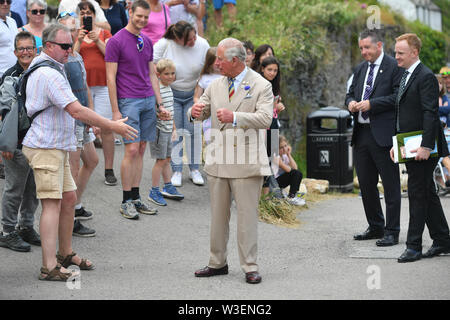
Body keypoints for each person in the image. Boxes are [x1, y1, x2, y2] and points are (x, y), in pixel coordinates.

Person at [21, 23, 137, 281]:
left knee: (69, 198)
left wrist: (92, 123)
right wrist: (110, 125)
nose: (69, 49)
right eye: (64, 46)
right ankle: (49, 267)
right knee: (52, 204)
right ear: (48, 46)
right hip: (45, 146)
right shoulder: (49, 73)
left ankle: (65, 253)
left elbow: (73, 108)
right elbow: (75, 109)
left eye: (70, 43)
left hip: (57, 144)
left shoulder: (54, 66)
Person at [189, 38, 273, 284]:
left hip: (246, 162)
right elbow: (202, 108)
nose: (215, 64)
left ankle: (250, 266)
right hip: (218, 159)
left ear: (234, 60)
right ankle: (217, 263)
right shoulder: (215, 85)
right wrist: (193, 112)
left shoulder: (261, 85)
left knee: (247, 217)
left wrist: (234, 116)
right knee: (217, 217)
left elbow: (266, 119)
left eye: (220, 60)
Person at [105, 0, 169, 219]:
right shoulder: (116, 41)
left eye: (145, 17)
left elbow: (152, 74)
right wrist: (115, 111)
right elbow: (110, 78)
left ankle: (136, 197)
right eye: (138, 15)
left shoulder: (148, 40)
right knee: (131, 150)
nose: (142, 20)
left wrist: (160, 103)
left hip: (148, 100)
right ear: (129, 12)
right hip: (128, 101)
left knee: (141, 149)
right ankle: (125, 200)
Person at [392, 33, 450, 262]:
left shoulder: (425, 76)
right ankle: (443, 240)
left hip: (423, 148)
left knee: (417, 194)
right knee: (427, 193)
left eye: (400, 53)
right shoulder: (406, 74)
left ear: (414, 53)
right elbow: (402, 114)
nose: (396, 56)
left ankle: (413, 246)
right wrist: (396, 145)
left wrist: (426, 146)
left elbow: (430, 113)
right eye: (396, 52)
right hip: (409, 145)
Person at [345, 29, 402, 247]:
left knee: (391, 186)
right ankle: (376, 226)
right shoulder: (360, 69)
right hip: (361, 134)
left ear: (379, 46)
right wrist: (350, 103)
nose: (363, 52)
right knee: (366, 186)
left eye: (367, 47)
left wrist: (372, 104)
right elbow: (349, 94)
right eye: (361, 48)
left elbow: (398, 97)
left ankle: (392, 231)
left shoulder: (393, 67)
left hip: (384, 135)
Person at [154, 20, 209, 187]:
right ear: (178, 38)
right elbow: (151, 65)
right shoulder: (165, 44)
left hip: (194, 94)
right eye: (189, 40)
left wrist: (200, 94)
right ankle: (176, 170)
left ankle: (194, 169)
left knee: (193, 131)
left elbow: (208, 69)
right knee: (176, 133)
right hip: (172, 94)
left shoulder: (202, 44)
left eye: (194, 37)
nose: (193, 41)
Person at [0, 31, 40, 253]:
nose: (26, 52)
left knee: (33, 188)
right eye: (21, 49)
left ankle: (26, 226)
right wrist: (4, 144)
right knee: (14, 189)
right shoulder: (9, 76)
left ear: (36, 50)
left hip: (37, 142)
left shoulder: (40, 71)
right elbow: (1, 113)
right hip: (15, 144)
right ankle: (7, 231)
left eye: (29, 48)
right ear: (15, 52)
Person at [58, 14, 98, 237]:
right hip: (72, 120)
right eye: (68, 30)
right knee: (71, 171)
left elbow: (85, 87)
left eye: (75, 29)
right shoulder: (61, 61)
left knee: (92, 160)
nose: (73, 33)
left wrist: (92, 116)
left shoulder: (77, 55)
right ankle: (69, 219)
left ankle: (77, 204)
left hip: (84, 118)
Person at [75, 1, 117, 186]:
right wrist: (78, 39)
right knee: (80, 129)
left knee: (106, 127)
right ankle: (77, 169)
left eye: (89, 12)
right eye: (82, 13)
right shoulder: (75, 34)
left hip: (102, 85)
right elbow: (71, 57)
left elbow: (111, 54)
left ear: (94, 14)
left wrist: (97, 39)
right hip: (82, 87)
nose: (86, 15)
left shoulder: (104, 33)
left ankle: (109, 169)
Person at [148, 59, 184, 205]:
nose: (170, 77)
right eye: (167, 74)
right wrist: (159, 115)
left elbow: (170, 109)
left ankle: (168, 186)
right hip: (159, 130)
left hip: (168, 129)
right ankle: (154, 190)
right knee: (160, 160)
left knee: (167, 159)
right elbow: (153, 110)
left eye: (173, 73)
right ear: (158, 74)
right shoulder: (157, 89)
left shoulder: (169, 88)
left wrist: (174, 127)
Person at [259, 56, 284, 195]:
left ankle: (266, 195)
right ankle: (260, 193)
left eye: (275, 70)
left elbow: (274, 108)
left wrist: (278, 107)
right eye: (269, 70)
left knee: (269, 158)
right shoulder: (258, 84)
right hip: (261, 124)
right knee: (261, 159)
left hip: (273, 124)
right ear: (262, 69)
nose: (272, 73)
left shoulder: (275, 85)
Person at [193, 46, 221, 144]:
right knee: (211, 143)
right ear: (209, 62)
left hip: (223, 115)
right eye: (215, 61)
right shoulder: (204, 78)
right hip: (209, 116)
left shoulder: (227, 77)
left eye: (220, 60)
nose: (218, 64)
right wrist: (199, 104)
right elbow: (196, 96)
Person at [273, 135, 305, 206]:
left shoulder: (284, 156)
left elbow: (295, 167)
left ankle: (293, 195)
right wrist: (292, 170)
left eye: (285, 146)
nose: (284, 149)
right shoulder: (275, 156)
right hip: (274, 183)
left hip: (280, 181)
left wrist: (288, 154)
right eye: (281, 147)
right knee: (295, 173)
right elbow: (288, 170)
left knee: (298, 173)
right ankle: (291, 197)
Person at [0, 0, 18, 78]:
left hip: (16, 73)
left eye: (8, 1)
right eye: (1, 1)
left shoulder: (12, 21)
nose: (5, 4)